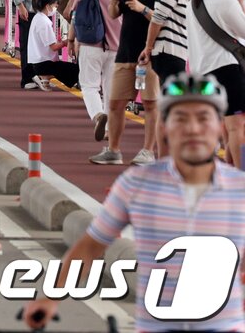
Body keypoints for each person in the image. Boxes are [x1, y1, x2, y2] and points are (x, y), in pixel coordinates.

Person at [24, 73, 245, 332]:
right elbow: (90, 246)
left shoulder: (239, 189)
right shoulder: (137, 185)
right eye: (181, 119)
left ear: (220, 127)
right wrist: (51, 298)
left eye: (203, 118)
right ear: (163, 127)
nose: (193, 129)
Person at [95, 0, 163, 166]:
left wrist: (143, 9)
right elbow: (115, 15)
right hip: (124, 53)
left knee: (151, 104)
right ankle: (113, 149)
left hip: (150, 56)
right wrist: (114, 5)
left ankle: (147, 151)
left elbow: (167, 20)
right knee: (115, 103)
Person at [186, 0, 245, 167]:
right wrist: (241, 2)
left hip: (202, 70)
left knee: (222, 128)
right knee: (237, 127)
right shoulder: (225, 0)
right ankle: (240, 175)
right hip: (227, 69)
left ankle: (229, 174)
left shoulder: (194, 2)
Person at [64, 0, 124, 142]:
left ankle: (98, 116)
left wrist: (71, 39)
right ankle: (107, 129)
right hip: (117, 47)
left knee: (89, 86)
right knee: (110, 88)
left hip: (90, 43)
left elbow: (75, 14)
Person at [146, 0, 206, 83]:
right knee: (172, 99)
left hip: (174, 54)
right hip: (168, 53)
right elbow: (157, 20)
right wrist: (148, 48)